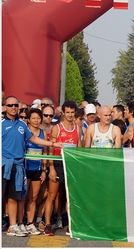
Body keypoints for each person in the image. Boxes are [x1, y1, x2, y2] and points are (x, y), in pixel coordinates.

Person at [2, 96, 62, 237]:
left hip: (18, 166)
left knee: (13, 197)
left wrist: (53, 144)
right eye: (10, 105)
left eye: (16, 105)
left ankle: (13, 226)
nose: (13, 108)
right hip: (3, 164)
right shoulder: (1, 124)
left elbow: (34, 139)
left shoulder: (22, 125)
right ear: (5, 107)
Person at [45, 100, 82, 236]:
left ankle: (70, 225)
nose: (70, 115)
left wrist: (78, 169)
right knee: (52, 196)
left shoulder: (78, 128)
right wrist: (52, 168)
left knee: (69, 197)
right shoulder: (57, 128)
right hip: (58, 164)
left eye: (72, 112)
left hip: (71, 166)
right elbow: (50, 148)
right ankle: (48, 225)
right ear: (63, 113)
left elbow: (79, 149)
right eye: (68, 112)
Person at [17, 108, 47, 235]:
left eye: (38, 118)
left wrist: (44, 170)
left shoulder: (43, 132)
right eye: (33, 118)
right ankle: (19, 222)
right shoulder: (24, 132)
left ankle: (30, 223)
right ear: (28, 119)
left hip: (37, 169)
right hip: (25, 168)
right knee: (23, 197)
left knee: (33, 197)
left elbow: (45, 152)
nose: (36, 120)